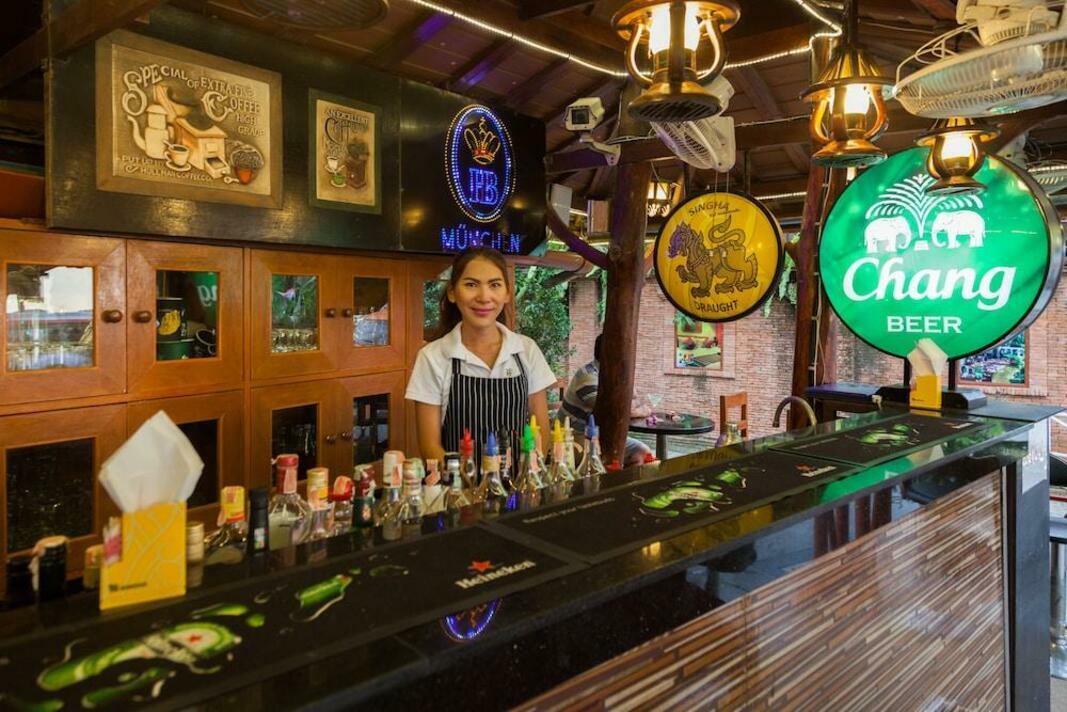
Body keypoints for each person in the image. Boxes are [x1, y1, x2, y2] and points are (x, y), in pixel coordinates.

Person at [406, 248, 557, 463]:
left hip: (521, 479)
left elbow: (541, 431)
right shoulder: (432, 357)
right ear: (452, 292)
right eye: (471, 284)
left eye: (494, 285)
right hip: (459, 482)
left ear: (507, 293)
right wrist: (465, 481)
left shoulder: (527, 349)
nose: (484, 297)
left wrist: (529, 475)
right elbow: (430, 447)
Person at [563, 335, 652, 467]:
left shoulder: (611, 374)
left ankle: (624, 481)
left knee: (642, 452)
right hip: (574, 437)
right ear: (610, 354)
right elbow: (613, 411)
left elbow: (634, 398)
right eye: (623, 352)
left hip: (599, 434)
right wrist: (642, 410)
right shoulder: (587, 377)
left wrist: (632, 404)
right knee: (611, 456)